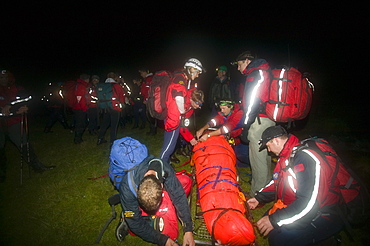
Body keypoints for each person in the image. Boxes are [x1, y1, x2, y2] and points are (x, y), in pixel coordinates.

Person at [247, 126, 344, 246]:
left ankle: (327, 241)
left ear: (276, 141)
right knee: (267, 221)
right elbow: (277, 182)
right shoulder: (287, 156)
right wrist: (259, 198)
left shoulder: (305, 158)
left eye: (268, 146)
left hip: (322, 213)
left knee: (279, 240)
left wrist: (274, 220)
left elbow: (310, 204)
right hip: (301, 205)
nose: (269, 150)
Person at [118, 156, 195, 246]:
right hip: (135, 205)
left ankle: (151, 217)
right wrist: (163, 240)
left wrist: (188, 229)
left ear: (161, 186)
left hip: (159, 193)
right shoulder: (127, 189)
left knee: (186, 181)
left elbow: (179, 196)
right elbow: (135, 223)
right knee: (171, 234)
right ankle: (127, 220)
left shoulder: (165, 170)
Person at [0, 69, 55, 181]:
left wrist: (20, 107)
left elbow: (27, 98)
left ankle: (38, 166)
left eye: (6, 77)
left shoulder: (16, 88)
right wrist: (14, 111)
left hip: (14, 122)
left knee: (24, 144)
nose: (4, 80)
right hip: (2, 123)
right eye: (1, 78)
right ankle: (2, 174)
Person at [234, 51, 275, 196]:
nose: (239, 69)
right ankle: (268, 188)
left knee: (257, 159)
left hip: (258, 120)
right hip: (267, 118)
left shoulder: (255, 73)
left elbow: (252, 102)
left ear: (247, 61)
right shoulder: (265, 71)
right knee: (265, 155)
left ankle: (257, 194)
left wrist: (246, 125)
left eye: (239, 64)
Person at [159, 58, 205, 165]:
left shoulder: (189, 103)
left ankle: (165, 166)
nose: (198, 75)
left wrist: (190, 139)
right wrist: (182, 111)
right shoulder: (180, 77)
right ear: (192, 69)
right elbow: (178, 96)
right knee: (167, 149)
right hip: (172, 119)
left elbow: (183, 127)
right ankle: (160, 169)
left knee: (169, 148)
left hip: (175, 120)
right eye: (197, 72)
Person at [196, 100, 250, 167]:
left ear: (230, 107)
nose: (222, 111)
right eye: (221, 108)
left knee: (241, 155)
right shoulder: (226, 113)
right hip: (233, 138)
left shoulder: (239, 114)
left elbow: (225, 129)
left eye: (224, 108)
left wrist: (208, 135)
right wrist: (203, 128)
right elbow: (215, 120)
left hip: (243, 140)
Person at [97, 72, 126, 146]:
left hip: (106, 107)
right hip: (115, 108)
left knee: (104, 124)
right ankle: (112, 142)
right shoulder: (116, 85)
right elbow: (122, 95)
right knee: (114, 126)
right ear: (114, 78)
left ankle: (100, 139)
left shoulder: (103, 86)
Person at [72, 73, 90, 144]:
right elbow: (80, 98)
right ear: (86, 79)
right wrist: (84, 108)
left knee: (80, 123)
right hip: (80, 108)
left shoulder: (79, 85)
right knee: (81, 124)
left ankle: (78, 138)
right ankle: (77, 139)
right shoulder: (81, 86)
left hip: (78, 107)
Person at [139, 68, 156, 135]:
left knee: (150, 115)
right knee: (150, 115)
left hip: (149, 100)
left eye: (141, 73)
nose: (141, 75)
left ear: (145, 72)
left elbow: (148, 91)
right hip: (150, 99)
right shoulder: (149, 78)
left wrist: (146, 99)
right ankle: (152, 130)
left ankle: (153, 130)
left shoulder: (148, 79)